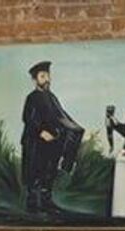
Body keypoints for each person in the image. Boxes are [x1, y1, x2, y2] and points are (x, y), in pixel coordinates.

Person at [21, 60, 84, 214]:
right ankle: (32, 205)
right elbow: (27, 118)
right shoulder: (32, 97)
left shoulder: (52, 97)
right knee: (34, 172)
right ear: (35, 80)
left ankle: (47, 203)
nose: (47, 79)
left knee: (48, 172)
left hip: (51, 142)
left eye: (48, 76)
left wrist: (73, 128)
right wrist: (40, 131)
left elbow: (61, 116)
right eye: (43, 76)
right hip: (34, 141)